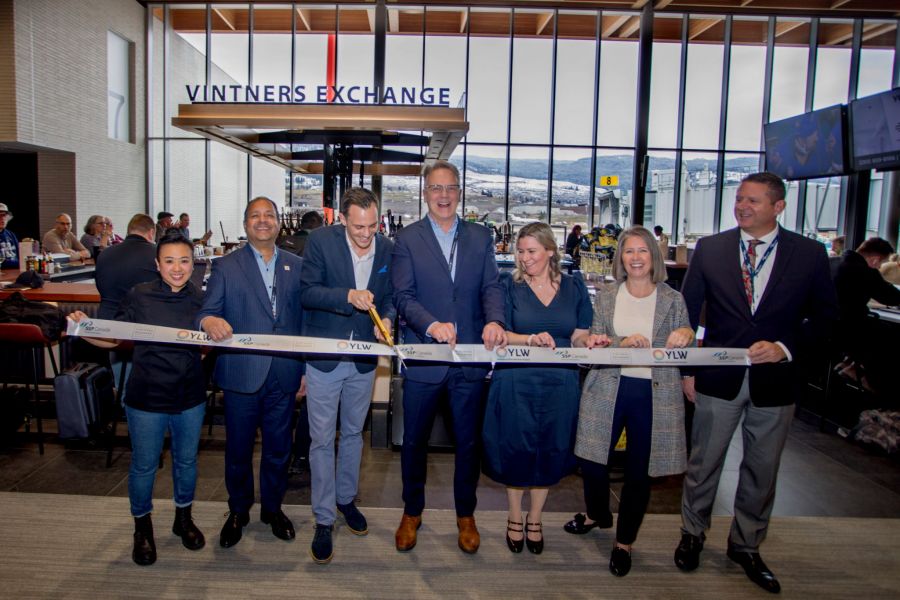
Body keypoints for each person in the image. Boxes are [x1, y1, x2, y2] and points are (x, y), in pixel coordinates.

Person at [675, 172, 837, 594]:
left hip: (776, 380)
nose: (742, 207)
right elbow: (686, 315)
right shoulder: (711, 249)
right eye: (739, 199)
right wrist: (687, 370)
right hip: (717, 377)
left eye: (753, 201)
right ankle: (692, 534)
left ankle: (746, 545)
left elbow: (826, 318)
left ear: (778, 206)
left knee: (762, 469)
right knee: (704, 463)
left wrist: (784, 347)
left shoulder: (809, 254)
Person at [68, 233, 207, 566]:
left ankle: (183, 519)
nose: (177, 268)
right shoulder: (139, 295)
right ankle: (142, 529)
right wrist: (85, 328)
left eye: (184, 261)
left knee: (187, 462)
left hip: (189, 396)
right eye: (169, 261)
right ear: (157, 264)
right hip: (146, 396)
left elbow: (209, 346)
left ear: (194, 264)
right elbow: (114, 339)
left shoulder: (204, 300)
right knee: (144, 465)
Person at [392, 160, 507, 555]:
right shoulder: (408, 238)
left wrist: (495, 320)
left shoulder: (480, 236)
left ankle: (466, 515)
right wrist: (431, 325)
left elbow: (491, 286)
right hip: (426, 358)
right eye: (436, 188)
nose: (443, 195)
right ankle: (412, 512)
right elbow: (402, 296)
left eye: (450, 188)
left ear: (459, 192)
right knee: (414, 442)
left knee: (468, 443)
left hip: (469, 357)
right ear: (425, 193)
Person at [565, 225, 693, 577]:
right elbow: (595, 342)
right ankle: (598, 513)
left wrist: (686, 334)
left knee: (640, 471)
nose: (635, 258)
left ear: (653, 256)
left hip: (655, 392)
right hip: (608, 386)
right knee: (592, 461)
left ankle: (624, 542)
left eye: (642, 250)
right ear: (620, 257)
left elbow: (688, 344)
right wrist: (620, 342)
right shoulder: (607, 296)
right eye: (628, 251)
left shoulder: (673, 299)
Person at [197, 196, 305, 549]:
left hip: (284, 373)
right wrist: (208, 321)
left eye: (269, 215)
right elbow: (206, 311)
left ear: (278, 223)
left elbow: (303, 322)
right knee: (238, 451)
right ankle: (238, 510)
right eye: (255, 216)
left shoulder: (297, 265)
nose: (263, 221)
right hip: (241, 372)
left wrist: (304, 369)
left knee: (279, 450)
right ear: (246, 224)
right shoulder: (226, 266)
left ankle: (272, 509)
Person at [482, 222, 593, 556]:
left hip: (560, 382)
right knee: (515, 448)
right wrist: (530, 339)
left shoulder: (574, 286)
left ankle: (535, 518)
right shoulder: (508, 284)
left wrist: (591, 342)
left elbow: (579, 334)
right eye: (520, 251)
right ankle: (515, 516)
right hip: (517, 381)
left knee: (550, 448)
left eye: (531, 251)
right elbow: (499, 332)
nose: (524, 258)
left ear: (550, 251)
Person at [299, 188, 395, 564]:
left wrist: (388, 319)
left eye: (372, 226)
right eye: (358, 227)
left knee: (354, 434)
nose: (366, 234)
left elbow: (390, 297)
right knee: (322, 439)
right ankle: (324, 518)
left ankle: (346, 500)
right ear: (342, 219)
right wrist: (347, 296)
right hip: (324, 355)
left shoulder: (387, 248)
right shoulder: (320, 242)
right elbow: (307, 293)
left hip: (364, 359)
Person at [832, 237, 900, 395]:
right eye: (881, 263)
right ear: (875, 259)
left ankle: (851, 364)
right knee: (892, 335)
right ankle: (875, 383)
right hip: (845, 331)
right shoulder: (863, 270)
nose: (880, 267)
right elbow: (891, 297)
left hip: (824, 328)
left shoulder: (834, 262)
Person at [0, 203, 19, 270]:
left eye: (5, 216)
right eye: (0, 216)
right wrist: (21, 263)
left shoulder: (11, 234)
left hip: (16, 271)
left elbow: (20, 254)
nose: (3, 219)